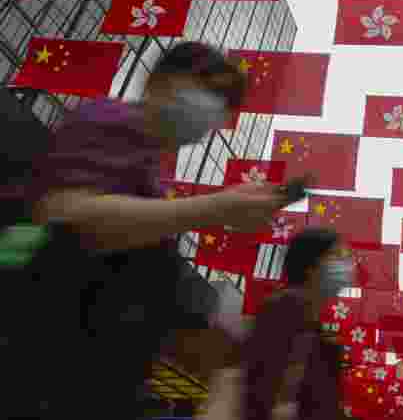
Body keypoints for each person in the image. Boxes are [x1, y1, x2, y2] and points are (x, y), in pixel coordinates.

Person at [11, 41, 293, 420]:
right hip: (35, 356)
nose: (213, 110)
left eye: (224, 105)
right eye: (208, 90)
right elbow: (66, 215)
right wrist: (213, 208)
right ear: (162, 80)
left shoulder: (152, 171)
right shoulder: (107, 118)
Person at [240, 226, 348, 420]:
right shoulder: (281, 312)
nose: (345, 266)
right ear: (311, 266)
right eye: (336, 256)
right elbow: (261, 390)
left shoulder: (320, 334)